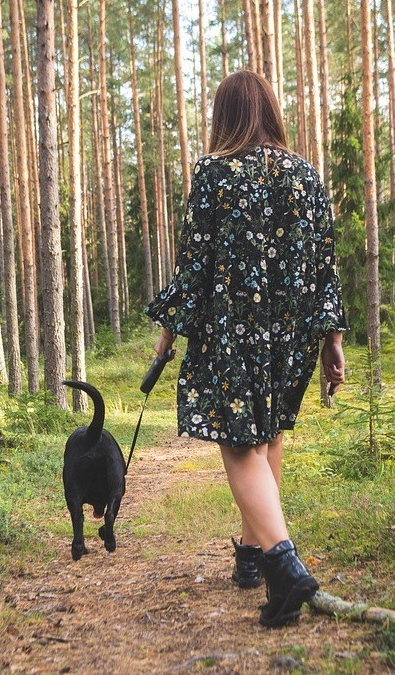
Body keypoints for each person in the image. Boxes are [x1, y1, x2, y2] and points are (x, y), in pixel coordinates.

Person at [145, 70, 347, 628]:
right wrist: (331, 340)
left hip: (232, 326)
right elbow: (326, 268)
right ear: (272, 111)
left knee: (240, 444)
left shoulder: (214, 174)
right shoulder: (307, 175)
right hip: (292, 331)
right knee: (268, 431)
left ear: (225, 115)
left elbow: (195, 263)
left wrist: (169, 331)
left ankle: (285, 565)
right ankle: (255, 556)